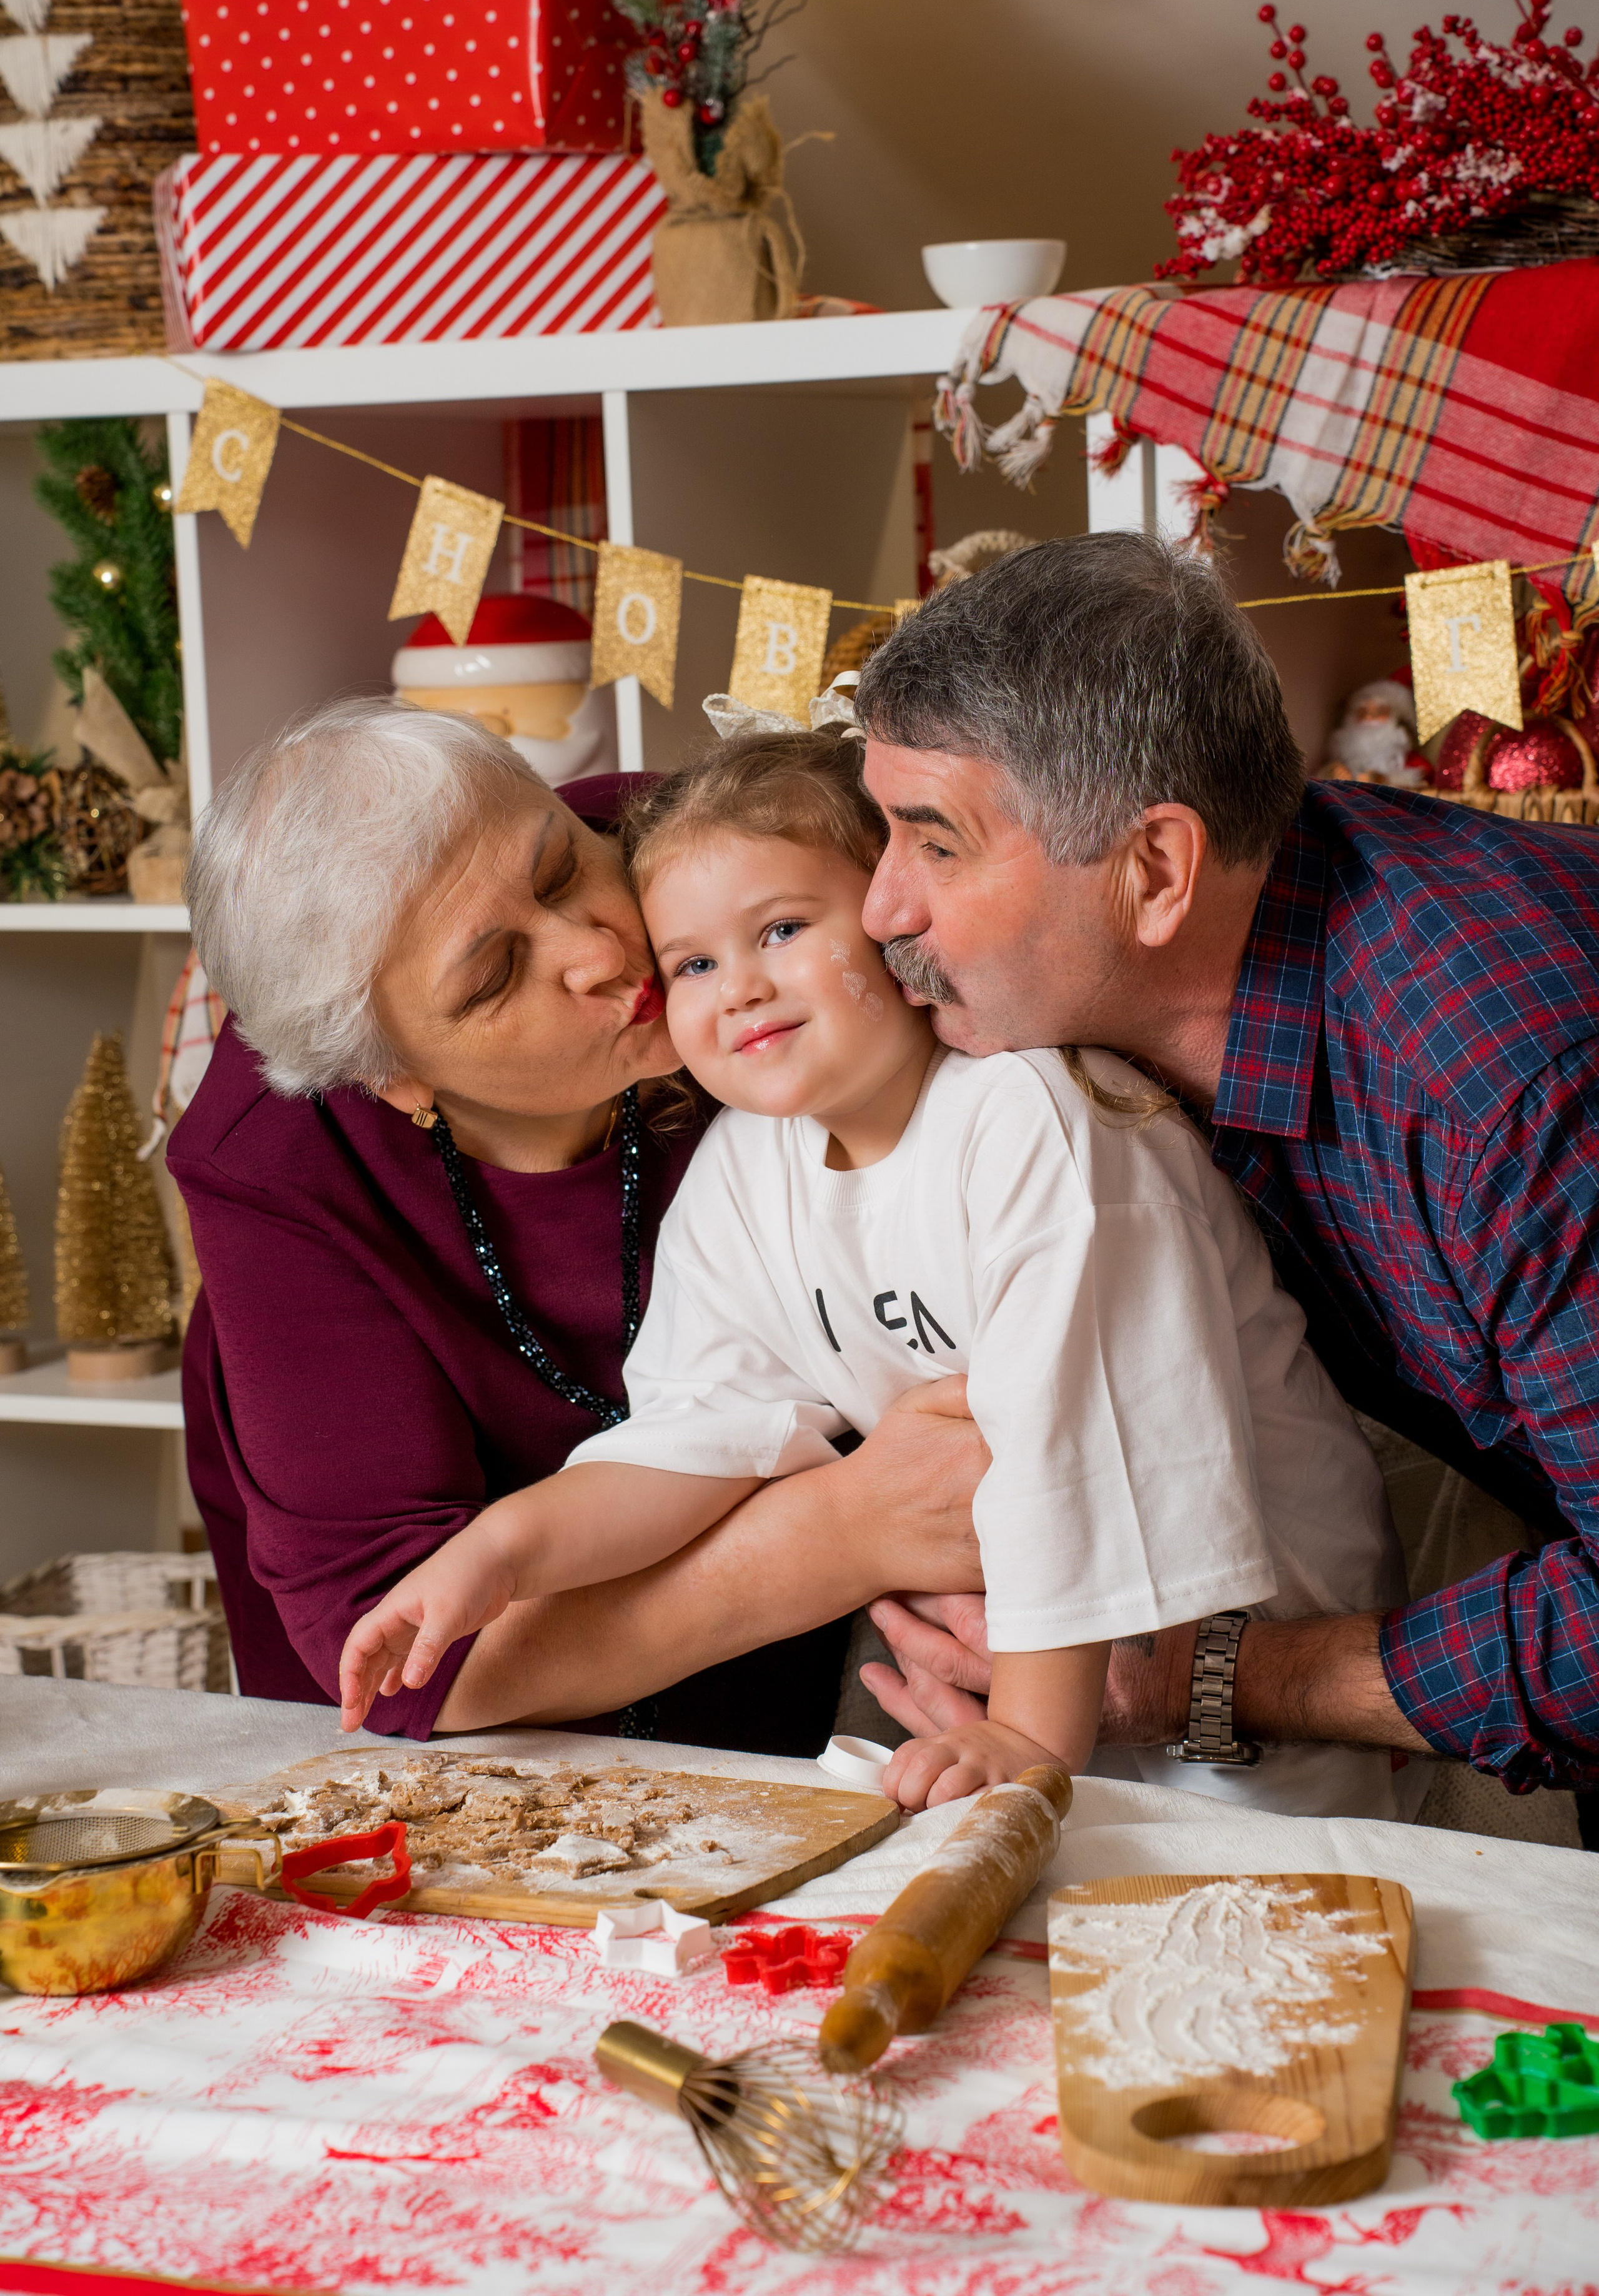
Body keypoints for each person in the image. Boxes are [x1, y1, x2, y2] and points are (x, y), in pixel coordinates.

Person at [340, 725, 1408, 1817]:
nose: (741, 988)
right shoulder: (746, 1171)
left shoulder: (1032, 1118)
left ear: (893, 919)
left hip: (1253, 1671)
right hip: (1039, 1669)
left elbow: (1072, 1451)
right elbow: (693, 1438)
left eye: (785, 929)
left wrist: (1031, 1737)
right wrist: (504, 1552)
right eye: (694, 963)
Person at [848, 530, 1599, 1822]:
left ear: (1153, 870)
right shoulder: (1154, 994)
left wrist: (1216, 1681)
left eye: (937, 845)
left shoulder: (1500, 1087)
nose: (878, 910)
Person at [169, 696, 984, 1745]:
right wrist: (854, 1529)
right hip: (500, 1717)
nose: (600, 951)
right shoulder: (274, 1163)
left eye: (563, 868)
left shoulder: (723, 861)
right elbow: (412, 1670)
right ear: (394, 1079)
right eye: (499, 973)